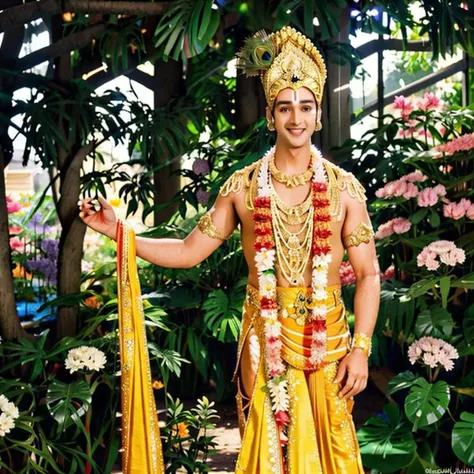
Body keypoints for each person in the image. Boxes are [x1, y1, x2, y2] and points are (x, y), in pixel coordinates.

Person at [80, 25, 380, 474]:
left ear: (318, 114)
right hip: (265, 335)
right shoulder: (241, 188)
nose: (295, 118)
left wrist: (361, 348)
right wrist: (119, 232)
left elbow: (370, 275)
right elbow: (188, 250)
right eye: (284, 107)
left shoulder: (345, 191)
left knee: (331, 451)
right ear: (270, 114)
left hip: (330, 339)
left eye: (305, 107)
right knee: (270, 453)